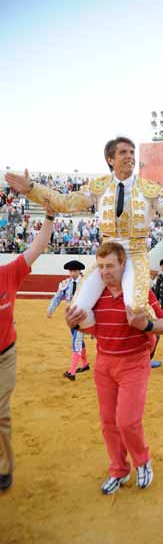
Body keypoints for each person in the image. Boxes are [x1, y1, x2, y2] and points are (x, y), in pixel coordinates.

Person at [5, 137, 163, 326]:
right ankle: (105, 342)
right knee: (77, 312)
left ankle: (145, 347)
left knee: (136, 309)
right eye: (123, 152)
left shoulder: (148, 189)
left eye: (132, 152)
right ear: (110, 159)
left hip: (135, 255)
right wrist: (32, 189)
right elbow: (65, 203)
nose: (130, 156)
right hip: (105, 257)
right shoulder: (99, 186)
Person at [65, 241, 163, 495]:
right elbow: (93, 329)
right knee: (108, 422)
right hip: (104, 363)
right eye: (100, 266)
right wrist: (74, 324)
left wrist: (144, 326)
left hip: (134, 362)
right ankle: (119, 469)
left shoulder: (139, 292)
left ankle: (142, 461)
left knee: (127, 421)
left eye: (110, 265)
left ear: (123, 265)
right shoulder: (95, 295)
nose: (104, 272)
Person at [0, 208, 55, 492]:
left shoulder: (8, 274)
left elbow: (37, 247)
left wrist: (48, 218)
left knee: (0, 413)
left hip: (4, 354)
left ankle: (3, 467)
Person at [47, 260, 89, 381]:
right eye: (70, 271)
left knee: (76, 342)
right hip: (71, 317)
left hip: (83, 316)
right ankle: (85, 364)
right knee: (78, 340)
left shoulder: (86, 283)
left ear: (79, 271)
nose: (72, 274)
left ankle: (72, 372)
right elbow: (57, 298)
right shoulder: (66, 283)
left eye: (74, 271)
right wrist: (51, 309)